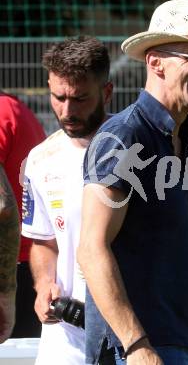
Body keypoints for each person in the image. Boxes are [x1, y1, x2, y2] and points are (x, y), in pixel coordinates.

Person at [78, 0, 188, 365]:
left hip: (185, 347)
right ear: (155, 62)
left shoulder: (185, 146)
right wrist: (137, 347)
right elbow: (91, 250)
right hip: (140, 350)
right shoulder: (124, 137)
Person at [21, 36, 113, 364]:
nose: (67, 110)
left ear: (106, 92)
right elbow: (44, 241)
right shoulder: (40, 160)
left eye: (80, 98)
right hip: (65, 335)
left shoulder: (134, 151)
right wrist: (44, 283)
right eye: (58, 97)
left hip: (125, 334)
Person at [0, 92, 46, 342]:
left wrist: (5, 292)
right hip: (31, 267)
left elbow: (3, 207)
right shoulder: (16, 109)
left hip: (9, 274)